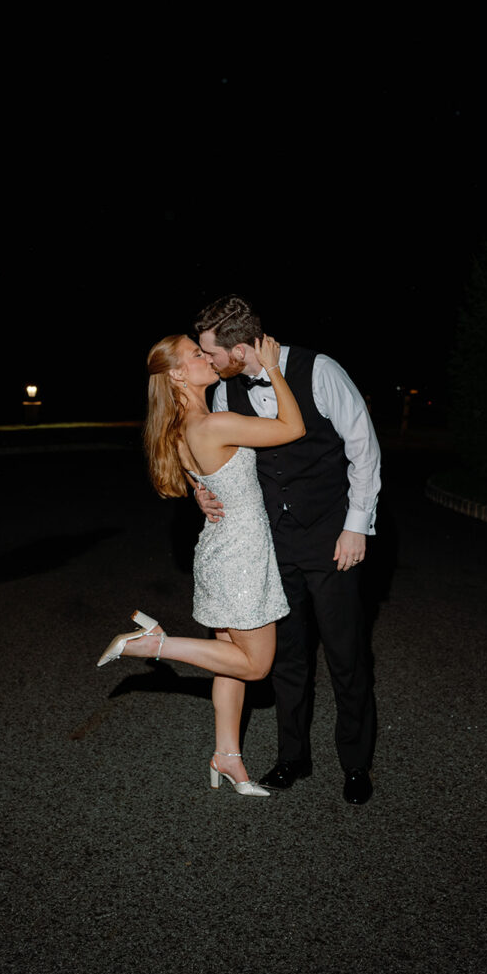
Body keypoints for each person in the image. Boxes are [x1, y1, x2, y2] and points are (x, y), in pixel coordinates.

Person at [97, 333, 305, 797]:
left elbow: (208, 482)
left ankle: (227, 757)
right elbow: (293, 427)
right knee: (256, 666)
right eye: (197, 354)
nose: (207, 357)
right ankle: (153, 644)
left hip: (218, 551)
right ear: (177, 374)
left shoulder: (178, 429)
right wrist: (273, 367)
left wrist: (200, 494)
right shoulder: (214, 424)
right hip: (241, 558)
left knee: (229, 665)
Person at [194, 296, 380, 805]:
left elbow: (364, 449)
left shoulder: (320, 370)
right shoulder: (224, 391)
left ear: (238, 349)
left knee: (345, 653)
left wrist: (356, 527)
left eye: (211, 353)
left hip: (331, 537)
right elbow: (218, 459)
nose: (207, 361)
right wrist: (201, 492)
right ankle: (292, 757)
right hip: (269, 543)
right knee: (287, 657)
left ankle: (356, 763)